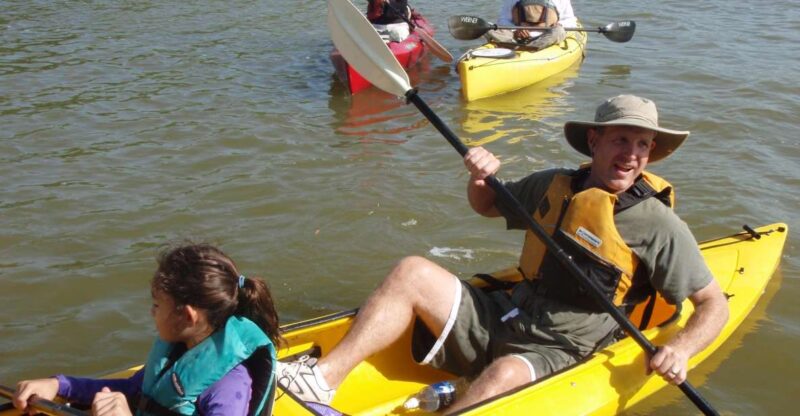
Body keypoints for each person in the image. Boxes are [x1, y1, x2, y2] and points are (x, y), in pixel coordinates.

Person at [277, 95, 729, 413]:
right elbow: (488, 205)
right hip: (504, 313)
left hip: (558, 347)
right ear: (594, 142)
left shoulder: (658, 223)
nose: (631, 155)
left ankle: (464, 398)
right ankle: (320, 381)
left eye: (642, 145)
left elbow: (713, 303)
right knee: (411, 271)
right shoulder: (554, 183)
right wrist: (479, 177)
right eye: (621, 140)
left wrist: (682, 348)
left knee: (502, 376)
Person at [13, 244, 281, 416]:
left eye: (156, 305)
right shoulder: (183, 351)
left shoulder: (228, 385)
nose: (151, 312)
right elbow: (133, 389)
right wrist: (59, 385)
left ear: (187, 316)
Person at [486, 0, 578, 50]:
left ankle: (530, 47)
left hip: (546, 37)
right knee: (487, 27)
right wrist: (515, 30)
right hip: (516, 37)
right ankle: (521, 46)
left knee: (559, 31)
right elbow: (503, 20)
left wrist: (558, 25)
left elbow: (570, 20)